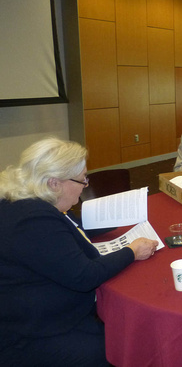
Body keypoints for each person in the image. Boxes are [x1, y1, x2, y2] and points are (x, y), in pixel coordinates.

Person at [0, 138, 158, 366]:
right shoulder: (33, 221)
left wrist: (117, 218)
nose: (85, 185)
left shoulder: (27, 199)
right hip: (34, 332)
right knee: (122, 347)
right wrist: (131, 251)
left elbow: (69, 228)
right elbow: (84, 276)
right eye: (82, 179)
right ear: (54, 183)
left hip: (35, 311)